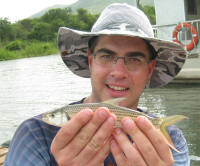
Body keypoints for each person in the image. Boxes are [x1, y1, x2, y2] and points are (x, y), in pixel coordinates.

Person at [4, 3, 190, 166]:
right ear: (90, 62)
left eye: (134, 59)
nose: (118, 72)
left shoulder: (171, 141)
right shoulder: (34, 135)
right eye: (106, 56)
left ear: (150, 70)